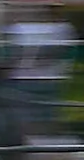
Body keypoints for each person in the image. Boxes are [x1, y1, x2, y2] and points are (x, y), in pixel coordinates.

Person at [9, 10, 73, 143]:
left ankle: (40, 144)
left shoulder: (61, 29)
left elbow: (54, 53)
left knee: (40, 115)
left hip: (40, 80)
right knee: (35, 115)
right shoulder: (61, 29)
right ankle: (35, 144)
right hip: (32, 79)